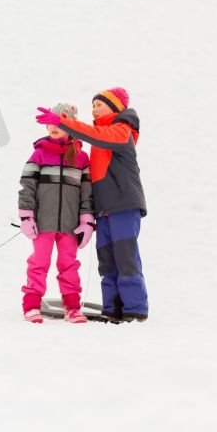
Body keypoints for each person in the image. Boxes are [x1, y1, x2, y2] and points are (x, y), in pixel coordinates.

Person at [36, 87, 149, 322]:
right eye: (93, 104)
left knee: (125, 257)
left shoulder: (121, 130)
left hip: (123, 205)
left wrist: (64, 123)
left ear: (116, 107)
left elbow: (92, 134)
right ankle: (113, 308)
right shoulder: (99, 134)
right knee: (106, 260)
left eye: (99, 104)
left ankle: (134, 309)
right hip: (104, 209)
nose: (94, 108)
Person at [18, 103, 95, 324]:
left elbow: (87, 192)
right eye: (50, 122)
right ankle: (31, 305)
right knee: (39, 263)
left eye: (59, 122)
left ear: (70, 125)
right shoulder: (39, 154)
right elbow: (27, 186)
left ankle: (72, 307)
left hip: (70, 225)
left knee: (69, 264)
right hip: (43, 222)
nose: (53, 126)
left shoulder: (81, 158)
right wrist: (26, 216)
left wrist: (87, 220)